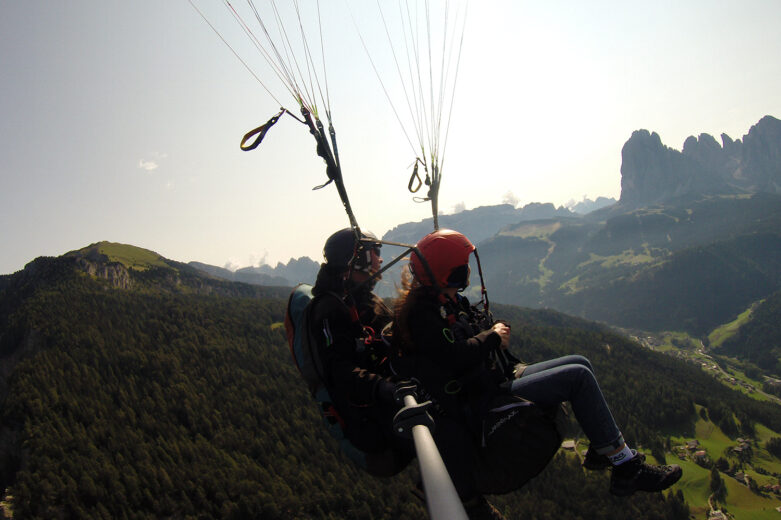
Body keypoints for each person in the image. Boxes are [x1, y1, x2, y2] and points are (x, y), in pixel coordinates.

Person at [393, 228, 683, 500]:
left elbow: (478, 327)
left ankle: (602, 451)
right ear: (448, 271)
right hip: (484, 397)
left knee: (581, 363)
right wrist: (493, 338)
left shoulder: (445, 300)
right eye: (463, 265)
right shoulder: (423, 315)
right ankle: (625, 467)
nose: (468, 269)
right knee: (577, 378)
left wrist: (497, 329)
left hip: (494, 376)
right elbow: (455, 356)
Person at [308, 228, 415, 477]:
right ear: (359, 259)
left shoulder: (362, 299)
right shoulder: (330, 308)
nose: (379, 258)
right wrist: (383, 387)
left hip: (387, 395)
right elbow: (339, 371)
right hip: (372, 419)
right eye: (375, 252)